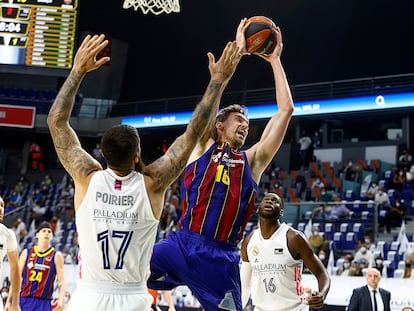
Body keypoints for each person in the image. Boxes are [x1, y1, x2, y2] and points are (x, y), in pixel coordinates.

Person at [47, 33, 242, 311]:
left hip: (88, 298)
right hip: (133, 299)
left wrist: (78, 70)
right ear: (138, 154)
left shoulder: (86, 178)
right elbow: (193, 134)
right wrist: (217, 80)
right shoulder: (152, 184)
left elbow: (56, 122)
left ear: (102, 154)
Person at [147, 19, 294, 311]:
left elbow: (285, 110)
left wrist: (275, 60)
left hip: (222, 257)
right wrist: (233, 60)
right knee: (124, 268)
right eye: (238, 120)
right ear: (219, 125)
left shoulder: (252, 160)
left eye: (247, 123)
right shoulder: (202, 145)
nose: (244, 125)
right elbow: (207, 110)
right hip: (181, 244)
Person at [240, 192, 330, 310]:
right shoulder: (249, 241)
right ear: (258, 209)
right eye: (266, 199)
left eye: (274, 200)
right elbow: (245, 286)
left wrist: (322, 294)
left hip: (294, 308)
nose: (269, 201)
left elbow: (322, 274)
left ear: (281, 212)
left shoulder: (294, 238)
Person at [19, 221, 66, 311]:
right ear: (37, 234)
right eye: (44, 231)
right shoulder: (26, 253)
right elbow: (16, 277)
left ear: (52, 236)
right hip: (25, 299)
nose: (47, 233)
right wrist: (12, 297)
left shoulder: (56, 255)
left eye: (49, 232)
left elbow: (61, 281)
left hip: (44, 302)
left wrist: (61, 299)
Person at [0, 196, 21, 311]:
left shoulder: (8, 235)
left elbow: (15, 268)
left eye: (2, 205)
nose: (0, 208)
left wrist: (15, 302)